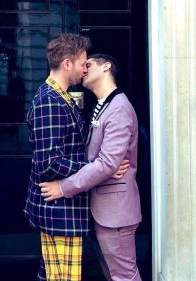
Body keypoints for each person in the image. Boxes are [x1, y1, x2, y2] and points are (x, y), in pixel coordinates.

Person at [39, 54, 142, 281]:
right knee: (112, 274)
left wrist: (63, 187)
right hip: (101, 209)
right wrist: (103, 166)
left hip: (115, 213)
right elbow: (103, 163)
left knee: (124, 276)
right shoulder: (104, 106)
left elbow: (107, 162)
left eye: (89, 64)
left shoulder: (119, 108)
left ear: (106, 67)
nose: (83, 70)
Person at [24, 33, 91, 281]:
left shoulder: (60, 98)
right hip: (58, 210)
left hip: (64, 208)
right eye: (83, 63)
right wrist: (95, 168)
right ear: (67, 63)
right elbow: (49, 163)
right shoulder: (49, 102)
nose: (86, 69)